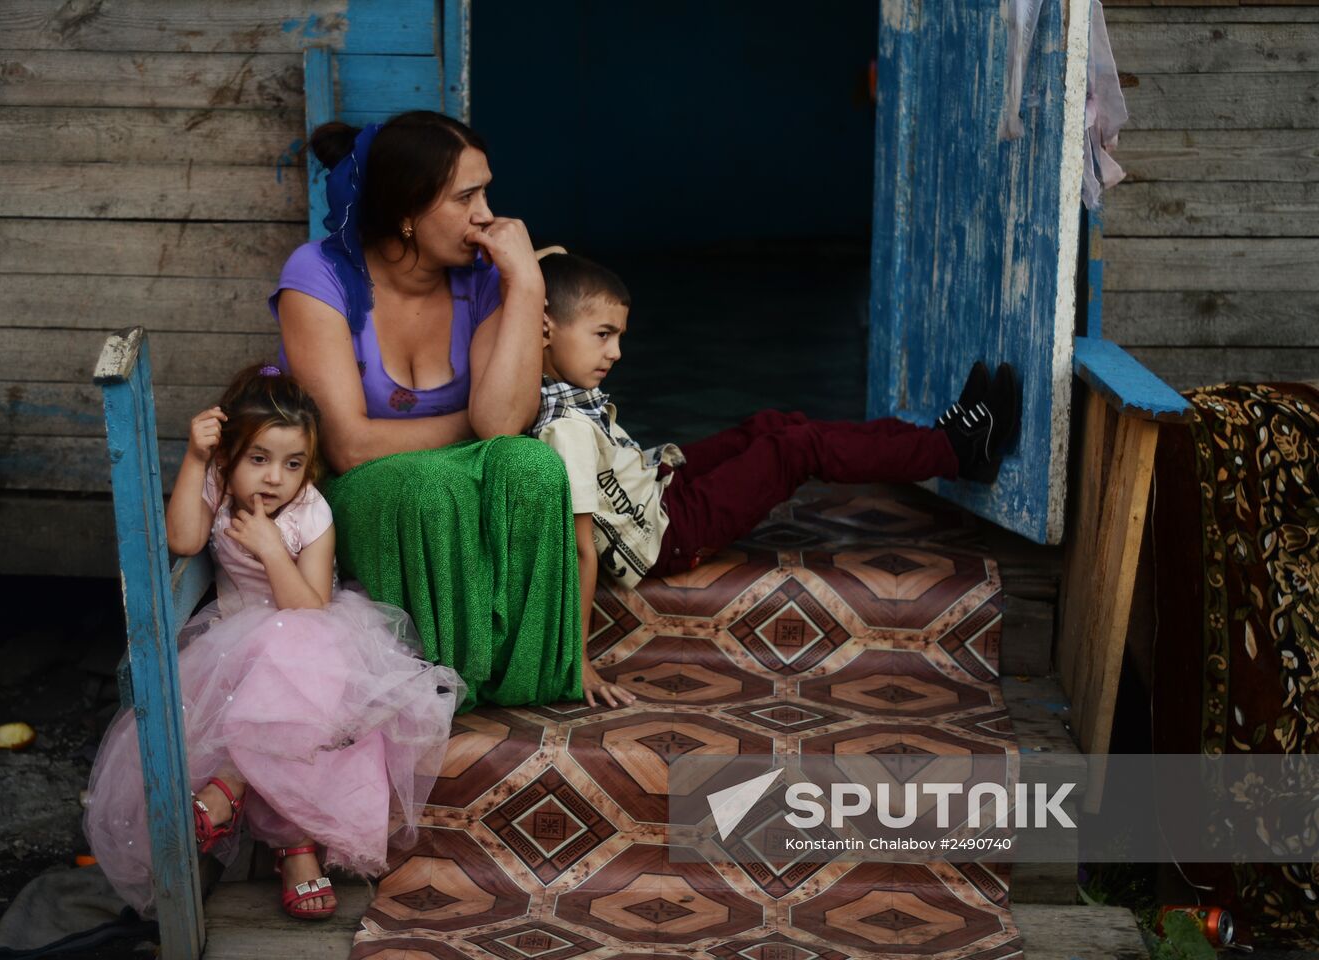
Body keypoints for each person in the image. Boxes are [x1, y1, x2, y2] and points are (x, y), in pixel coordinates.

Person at [530, 252, 1020, 706]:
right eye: (603, 334)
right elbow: (580, 550)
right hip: (674, 534)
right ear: (547, 328)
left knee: (770, 425)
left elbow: (551, 261)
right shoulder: (566, 432)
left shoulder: (558, 389)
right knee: (795, 448)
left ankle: (940, 440)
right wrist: (581, 663)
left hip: (662, 484)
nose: (615, 352)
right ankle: (955, 450)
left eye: (619, 336)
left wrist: (527, 280)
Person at [84, 364, 461, 921]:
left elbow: (308, 605)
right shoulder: (214, 481)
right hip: (237, 638)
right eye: (257, 459)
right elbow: (185, 537)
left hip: (315, 634)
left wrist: (270, 548)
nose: (274, 477)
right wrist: (194, 458)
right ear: (228, 457)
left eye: (292, 464)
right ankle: (295, 852)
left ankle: (236, 790)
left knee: (297, 678)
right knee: (273, 695)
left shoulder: (312, 511)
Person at [272, 111, 590, 710]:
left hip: (449, 474)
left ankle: (523, 685)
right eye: (466, 196)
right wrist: (473, 424)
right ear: (405, 214)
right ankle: (444, 686)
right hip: (360, 493)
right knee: (428, 483)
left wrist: (525, 282)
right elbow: (348, 447)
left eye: (486, 190)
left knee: (533, 468)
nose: (486, 214)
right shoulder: (319, 276)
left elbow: (503, 426)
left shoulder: (487, 279)